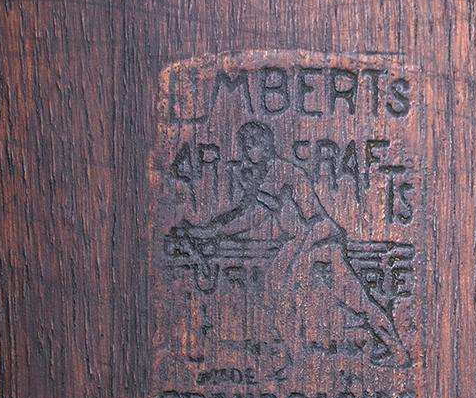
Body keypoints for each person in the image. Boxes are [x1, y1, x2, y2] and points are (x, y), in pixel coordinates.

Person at [172, 121, 409, 368]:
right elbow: (249, 213)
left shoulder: (280, 171)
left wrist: (213, 232)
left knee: (350, 298)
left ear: (265, 146)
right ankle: (297, 357)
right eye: (245, 148)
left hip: (319, 240)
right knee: (276, 290)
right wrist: (212, 230)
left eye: (250, 147)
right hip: (303, 241)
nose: (246, 153)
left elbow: (254, 217)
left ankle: (394, 351)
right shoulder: (268, 174)